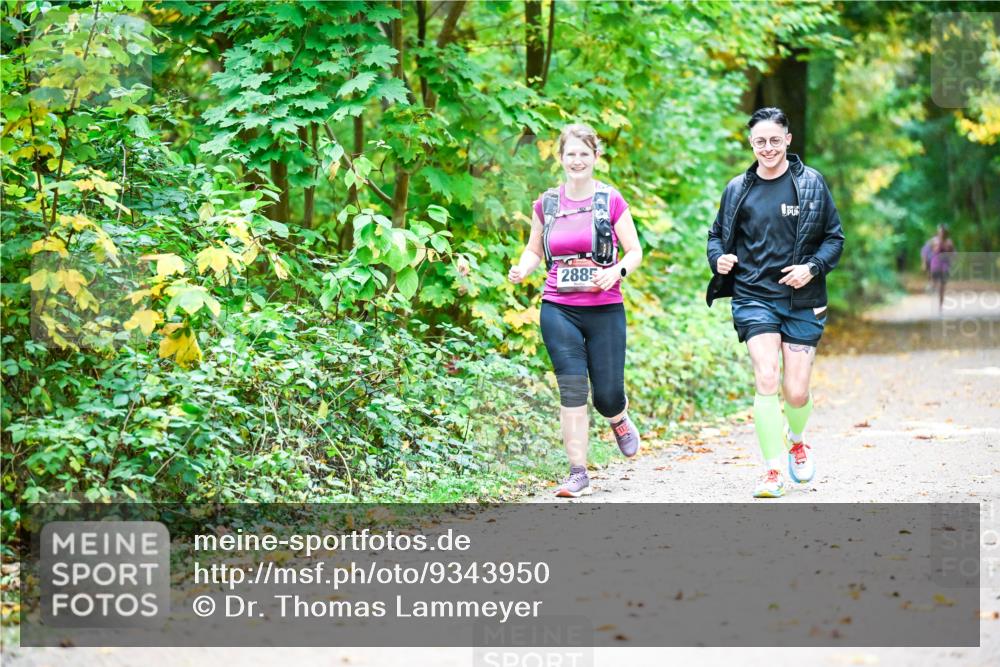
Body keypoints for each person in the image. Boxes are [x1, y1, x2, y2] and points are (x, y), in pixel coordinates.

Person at [706, 107, 845, 499]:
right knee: (766, 377)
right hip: (753, 297)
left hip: (802, 299)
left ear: (787, 139)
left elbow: (835, 239)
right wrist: (718, 258)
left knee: (795, 392)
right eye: (759, 141)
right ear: (751, 144)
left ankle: (796, 441)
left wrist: (812, 268)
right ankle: (771, 472)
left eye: (773, 140)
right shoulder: (737, 189)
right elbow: (716, 237)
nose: (766, 148)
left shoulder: (812, 184)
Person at [508, 123, 643, 498]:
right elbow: (535, 249)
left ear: (595, 157)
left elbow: (634, 251)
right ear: (561, 158)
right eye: (571, 154)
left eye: (585, 153)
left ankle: (617, 416)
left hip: (605, 308)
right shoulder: (547, 203)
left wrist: (615, 272)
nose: (578, 160)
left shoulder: (610, 200)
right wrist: (523, 269)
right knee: (571, 388)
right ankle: (577, 472)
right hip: (558, 308)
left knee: (607, 394)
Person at [928, 225, 955, 313]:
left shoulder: (949, 242)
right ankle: (932, 286)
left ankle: (940, 306)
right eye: (940, 232)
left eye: (943, 232)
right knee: (935, 282)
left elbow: (952, 253)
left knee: (942, 287)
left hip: (945, 266)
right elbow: (929, 251)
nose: (941, 234)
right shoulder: (934, 241)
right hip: (935, 265)